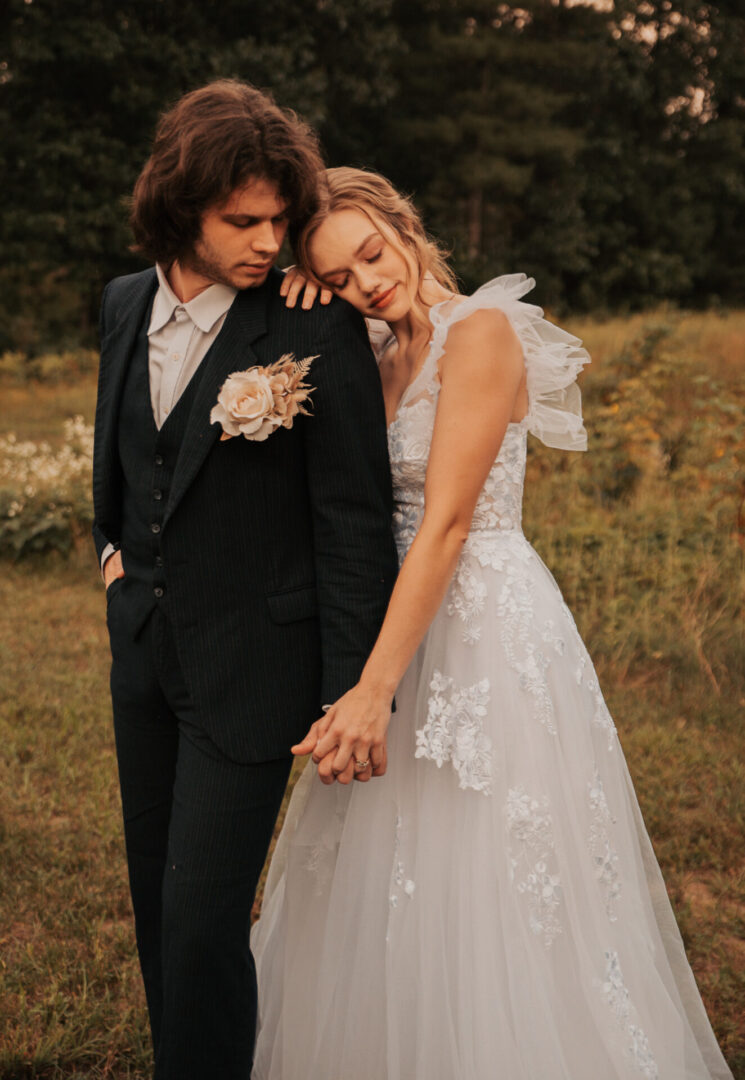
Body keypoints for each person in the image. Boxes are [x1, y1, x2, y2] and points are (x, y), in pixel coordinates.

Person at [250, 167, 734, 1080]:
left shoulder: (479, 333)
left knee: (490, 870)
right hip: (393, 619)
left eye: (369, 254)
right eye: (342, 276)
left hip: (478, 626)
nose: (366, 282)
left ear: (401, 222)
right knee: (382, 868)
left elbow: (446, 522)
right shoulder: (367, 348)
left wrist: (371, 689)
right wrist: (305, 304)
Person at [91, 90, 398, 1080]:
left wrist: (353, 688)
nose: (271, 241)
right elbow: (121, 458)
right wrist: (112, 556)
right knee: (157, 909)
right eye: (244, 222)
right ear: (183, 207)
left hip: (258, 669)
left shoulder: (315, 326)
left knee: (201, 926)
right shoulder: (123, 303)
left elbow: (354, 525)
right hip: (144, 657)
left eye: (280, 219)